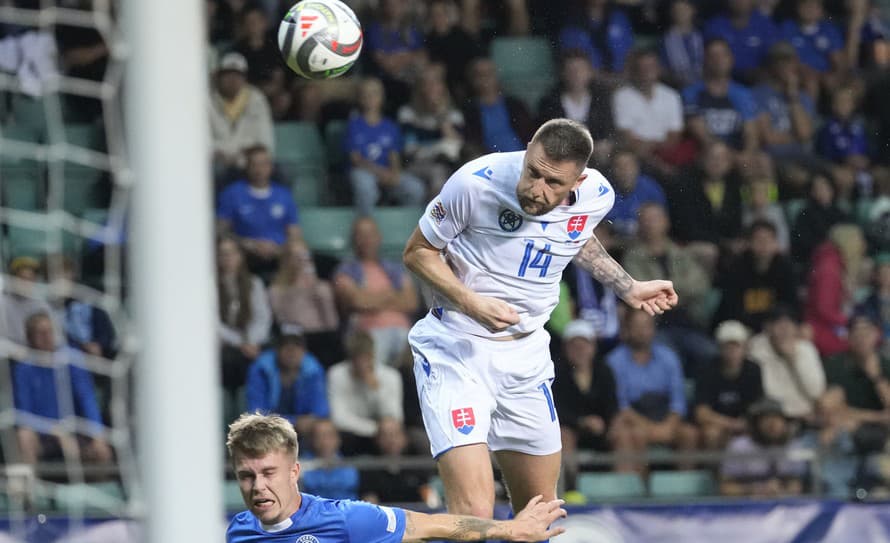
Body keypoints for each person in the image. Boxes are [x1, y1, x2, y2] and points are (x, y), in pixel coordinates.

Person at [403, 119, 677, 521]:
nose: (537, 189)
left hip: (526, 356)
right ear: (529, 146)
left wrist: (626, 286)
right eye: (534, 172)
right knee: (475, 510)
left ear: (577, 180)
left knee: (540, 512)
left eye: (554, 184)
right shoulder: (475, 183)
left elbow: (574, 234)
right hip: (455, 348)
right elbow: (417, 251)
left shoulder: (596, 194)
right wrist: (472, 302)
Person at [226, 412, 568, 542]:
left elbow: (435, 525)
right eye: (247, 476)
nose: (258, 487)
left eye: (269, 473)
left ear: (294, 472)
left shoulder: (344, 520)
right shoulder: (239, 531)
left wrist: (510, 529)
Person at [13, 313, 113, 465]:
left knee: (101, 449)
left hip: (75, 430)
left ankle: (101, 486)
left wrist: (97, 435)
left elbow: (87, 399)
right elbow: (24, 414)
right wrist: (55, 431)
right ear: (30, 338)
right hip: (43, 435)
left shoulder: (71, 360)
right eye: (41, 333)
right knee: (24, 436)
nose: (47, 337)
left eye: (49, 332)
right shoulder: (24, 369)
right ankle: (30, 486)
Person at [606, 309, 699, 472]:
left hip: (664, 417)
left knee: (689, 434)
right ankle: (640, 492)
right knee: (634, 434)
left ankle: (686, 487)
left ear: (653, 329)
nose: (642, 331)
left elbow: (678, 402)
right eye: (636, 326)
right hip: (634, 419)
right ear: (627, 329)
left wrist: (668, 426)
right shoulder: (614, 361)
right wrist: (653, 429)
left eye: (646, 326)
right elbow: (622, 407)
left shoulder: (668, 357)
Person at [333, 216, 418, 368]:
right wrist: (390, 294)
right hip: (369, 335)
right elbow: (358, 302)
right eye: (361, 235)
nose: (367, 240)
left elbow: (411, 301)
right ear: (354, 240)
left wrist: (371, 298)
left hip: (404, 332)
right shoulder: (345, 270)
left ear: (379, 237)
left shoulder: (394, 269)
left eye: (371, 234)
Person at [552, 319, 620, 489]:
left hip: (601, 429)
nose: (580, 350)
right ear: (566, 348)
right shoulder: (556, 373)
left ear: (593, 347)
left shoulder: (604, 371)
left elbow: (612, 404)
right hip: (569, 427)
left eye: (584, 345)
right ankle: (571, 487)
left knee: (623, 434)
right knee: (564, 436)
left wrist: (608, 423)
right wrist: (581, 422)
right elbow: (556, 408)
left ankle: (620, 488)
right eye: (574, 346)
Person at [345, 77, 427, 216]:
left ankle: (404, 227)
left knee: (415, 188)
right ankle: (367, 225)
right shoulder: (354, 125)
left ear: (382, 97)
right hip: (364, 172)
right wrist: (380, 173)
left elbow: (394, 155)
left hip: (386, 173)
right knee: (365, 186)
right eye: (366, 94)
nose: (370, 97)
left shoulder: (390, 126)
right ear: (359, 98)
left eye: (374, 93)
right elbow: (356, 159)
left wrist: (394, 173)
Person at [216, 145, 301, 277]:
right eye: (254, 164)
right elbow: (221, 231)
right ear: (247, 167)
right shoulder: (232, 193)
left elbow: (294, 233)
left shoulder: (284, 195)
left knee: (299, 251)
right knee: (227, 250)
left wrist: (279, 248)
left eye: (264, 164)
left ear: (271, 167)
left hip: (278, 253)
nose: (259, 169)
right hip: (245, 253)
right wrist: (247, 243)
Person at [612, 48, 688, 178]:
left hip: (665, 153)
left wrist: (654, 148)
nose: (647, 71)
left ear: (658, 69)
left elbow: (675, 136)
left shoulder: (671, 96)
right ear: (635, 70)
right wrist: (654, 157)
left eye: (651, 66)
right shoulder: (622, 96)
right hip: (637, 154)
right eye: (643, 67)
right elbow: (627, 137)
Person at [327, 331, 404, 455]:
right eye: (358, 357)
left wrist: (375, 389)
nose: (362, 363)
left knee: (394, 435)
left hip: (384, 435)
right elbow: (338, 418)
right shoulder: (337, 374)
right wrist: (375, 429)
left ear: (373, 355)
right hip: (353, 434)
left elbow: (394, 417)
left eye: (366, 357)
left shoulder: (391, 376)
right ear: (351, 358)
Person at [748, 305, 826, 422]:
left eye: (789, 325)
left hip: (806, 416)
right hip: (771, 417)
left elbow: (816, 391)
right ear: (768, 327)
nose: (784, 330)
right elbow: (765, 391)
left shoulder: (806, 349)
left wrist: (793, 360)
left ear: (796, 328)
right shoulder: (756, 349)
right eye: (779, 324)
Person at [714, 220, 796, 331]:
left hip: (773, 328)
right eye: (758, 240)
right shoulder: (737, 268)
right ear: (749, 243)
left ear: (776, 243)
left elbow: (790, 305)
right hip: (742, 326)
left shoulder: (785, 269)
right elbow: (731, 308)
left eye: (768, 240)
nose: (764, 245)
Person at [694, 320, 764, 451]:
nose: (732, 351)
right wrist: (732, 424)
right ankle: (715, 471)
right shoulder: (707, 370)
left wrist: (744, 423)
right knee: (712, 433)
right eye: (727, 346)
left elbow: (757, 406)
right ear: (719, 348)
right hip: (718, 423)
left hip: (746, 423)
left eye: (736, 346)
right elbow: (701, 413)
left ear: (745, 348)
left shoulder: (753, 370)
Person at [538, 49, 615, 166]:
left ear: (590, 72)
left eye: (580, 70)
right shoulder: (549, 102)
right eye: (571, 71)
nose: (576, 75)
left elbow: (607, 133)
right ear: (562, 73)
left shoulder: (601, 99)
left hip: (597, 157)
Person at [245, 330, 329, 436]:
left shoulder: (313, 370)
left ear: (304, 352)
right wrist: (292, 422)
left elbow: (321, 409)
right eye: (287, 347)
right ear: (277, 351)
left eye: (296, 347)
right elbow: (256, 412)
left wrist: (310, 420)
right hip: (270, 429)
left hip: (304, 428)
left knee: (323, 428)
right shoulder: (261, 370)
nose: (292, 352)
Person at [217, 236, 272, 394]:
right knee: (231, 360)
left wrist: (251, 342)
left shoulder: (254, 283)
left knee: (265, 358)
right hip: (225, 342)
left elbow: (262, 318)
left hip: (251, 341)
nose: (227, 258)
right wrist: (240, 343)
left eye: (232, 253)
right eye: (223, 254)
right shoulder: (208, 284)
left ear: (240, 256)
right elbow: (212, 323)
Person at [719, 398, 808, 497]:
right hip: (748, 506)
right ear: (756, 423)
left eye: (777, 418)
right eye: (766, 418)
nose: (772, 424)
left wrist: (782, 491)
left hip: (784, 505)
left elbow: (797, 484)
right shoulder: (740, 446)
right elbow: (726, 488)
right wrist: (753, 490)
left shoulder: (794, 446)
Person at [805, 223, 868, 357]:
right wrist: (849, 322)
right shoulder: (829, 269)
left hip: (829, 324)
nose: (863, 246)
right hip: (822, 327)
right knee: (862, 343)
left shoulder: (834, 263)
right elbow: (824, 309)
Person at [209, 52, 275, 176]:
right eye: (228, 74)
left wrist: (243, 158)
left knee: (281, 174)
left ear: (245, 78)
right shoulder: (206, 100)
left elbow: (265, 141)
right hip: (219, 162)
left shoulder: (256, 99)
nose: (233, 80)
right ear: (218, 77)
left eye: (238, 75)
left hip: (251, 163)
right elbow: (202, 142)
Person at [462, 57, 535, 156]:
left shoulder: (516, 105)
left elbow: (531, 135)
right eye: (480, 75)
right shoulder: (469, 111)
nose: (485, 78)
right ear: (472, 79)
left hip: (522, 158)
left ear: (496, 75)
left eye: (489, 73)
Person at [299, 419, 359, 500]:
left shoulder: (349, 464)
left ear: (338, 439)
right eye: (319, 436)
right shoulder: (301, 465)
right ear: (311, 440)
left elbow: (350, 486)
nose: (325, 441)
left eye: (329, 435)